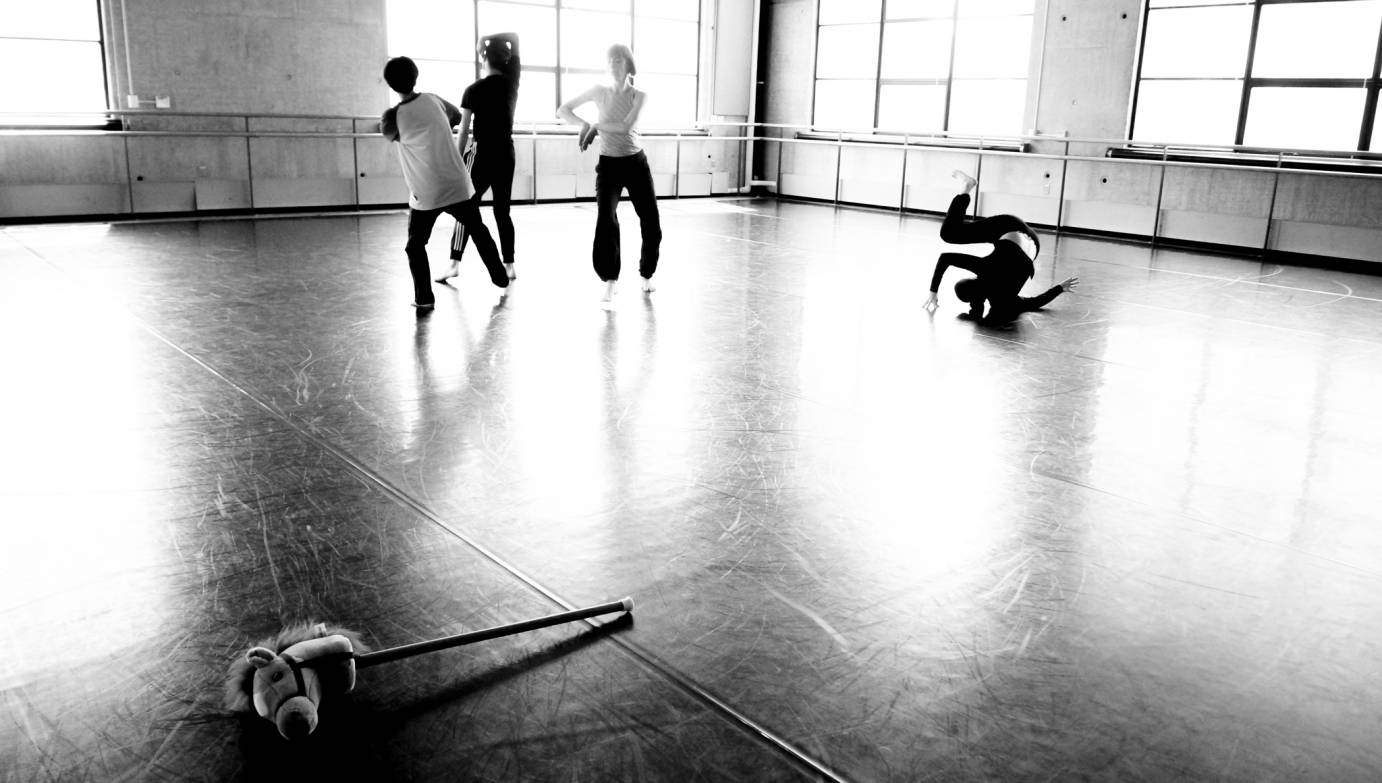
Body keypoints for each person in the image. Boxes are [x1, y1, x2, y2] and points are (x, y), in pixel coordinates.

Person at [381, 56, 508, 309]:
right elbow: (457, 117)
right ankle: (499, 276)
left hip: (426, 193)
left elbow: (389, 135)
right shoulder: (433, 99)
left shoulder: (393, 117)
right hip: (457, 184)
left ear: (390, 85)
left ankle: (424, 298)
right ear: (416, 76)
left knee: (415, 245)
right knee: (477, 229)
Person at [557, 43, 662, 302]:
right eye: (610, 60)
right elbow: (563, 109)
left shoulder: (639, 96)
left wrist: (596, 126)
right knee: (606, 219)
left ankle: (646, 274)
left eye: (618, 60)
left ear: (628, 65)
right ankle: (610, 279)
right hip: (609, 166)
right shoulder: (598, 91)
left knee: (651, 222)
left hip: (636, 164)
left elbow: (627, 126)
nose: (614, 65)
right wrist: (583, 124)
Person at [923, 170, 1078, 324]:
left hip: (1034, 245)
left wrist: (1059, 288)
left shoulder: (1003, 300)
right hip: (1009, 227)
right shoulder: (984, 269)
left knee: (954, 234)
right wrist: (933, 292)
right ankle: (966, 186)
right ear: (973, 280)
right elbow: (945, 258)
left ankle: (967, 186)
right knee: (949, 234)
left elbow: (1033, 303)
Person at [437, 32, 521, 285]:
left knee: (467, 208)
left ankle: (454, 263)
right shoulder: (511, 82)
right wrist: (484, 40)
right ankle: (509, 265)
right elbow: (514, 38)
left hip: (482, 153)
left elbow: (462, 130)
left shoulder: (473, 89)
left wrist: (456, 159)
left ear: (484, 59)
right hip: (506, 153)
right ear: (506, 59)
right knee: (502, 211)